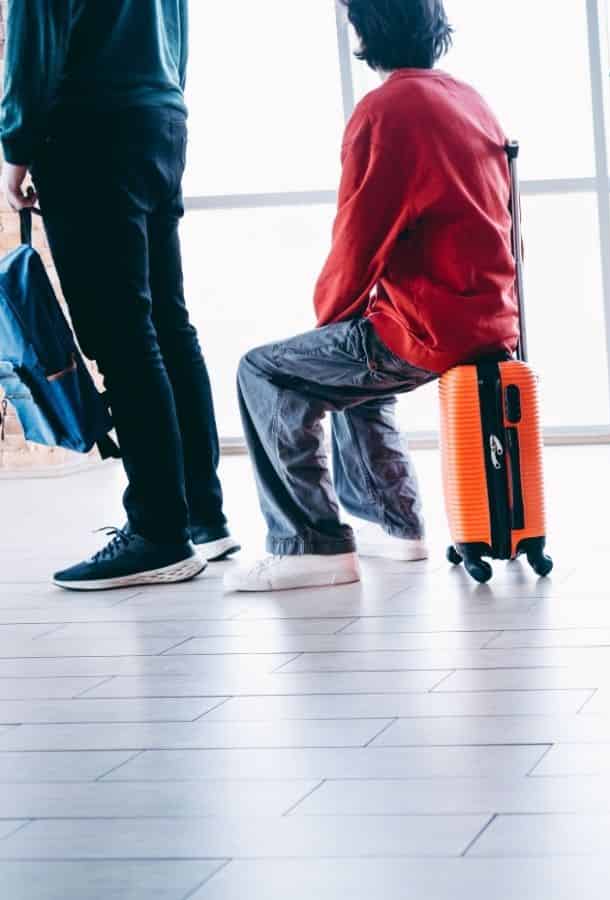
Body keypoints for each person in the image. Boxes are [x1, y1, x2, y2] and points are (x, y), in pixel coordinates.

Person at [225, 0, 518, 592]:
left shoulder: (387, 109)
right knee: (353, 359)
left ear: (365, 30)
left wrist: (327, 322)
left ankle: (309, 545)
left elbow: (360, 235)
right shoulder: (466, 98)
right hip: (488, 318)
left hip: (431, 330)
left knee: (263, 371)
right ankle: (396, 524)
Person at [2, 0, 237, 590]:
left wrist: (16, 146)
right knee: (167, 325)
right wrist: (164, 102)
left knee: (123, 336)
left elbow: (34, 30)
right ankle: (200, 514)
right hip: (158, 121)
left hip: (89, 129)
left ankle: (158, 532)